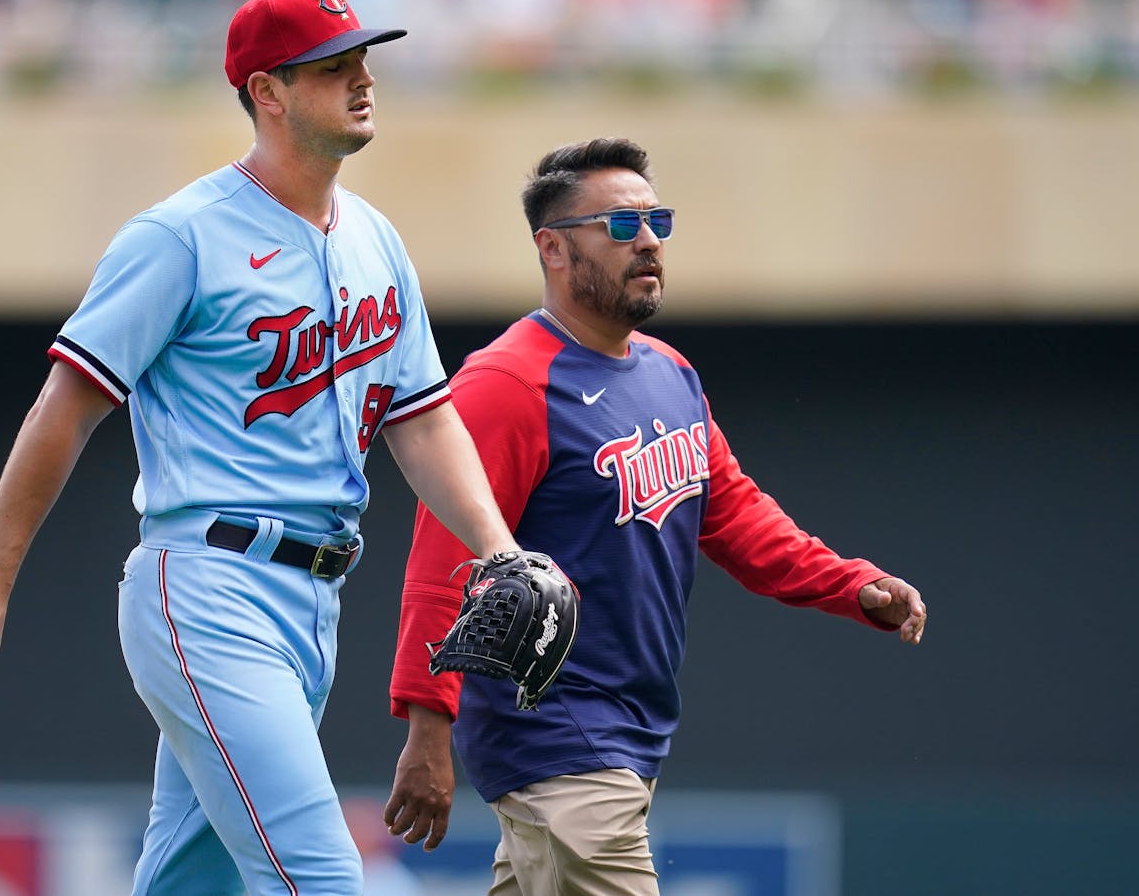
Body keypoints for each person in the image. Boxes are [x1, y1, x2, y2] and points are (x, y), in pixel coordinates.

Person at [0, 0, 519, 896]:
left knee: (191, 882)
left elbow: (422, 418)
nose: (363, 80)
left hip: (315, 601)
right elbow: (66, 405)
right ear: (267, 92)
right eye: (333, 67)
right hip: (209, 587)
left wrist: (500, 552)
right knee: (321, 878)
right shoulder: (182, 236)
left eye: (363, 60)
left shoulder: (374, 237)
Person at [383, 137, 928, 895]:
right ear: (553, 249)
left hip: (625, 734)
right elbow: (444, 561)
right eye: (618, 225)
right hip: (556, 733)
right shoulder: (507, 383)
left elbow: (735, 513)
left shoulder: (668, 372)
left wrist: (849, 584)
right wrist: (427, 726)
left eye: (656, 220)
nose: (646, 240)